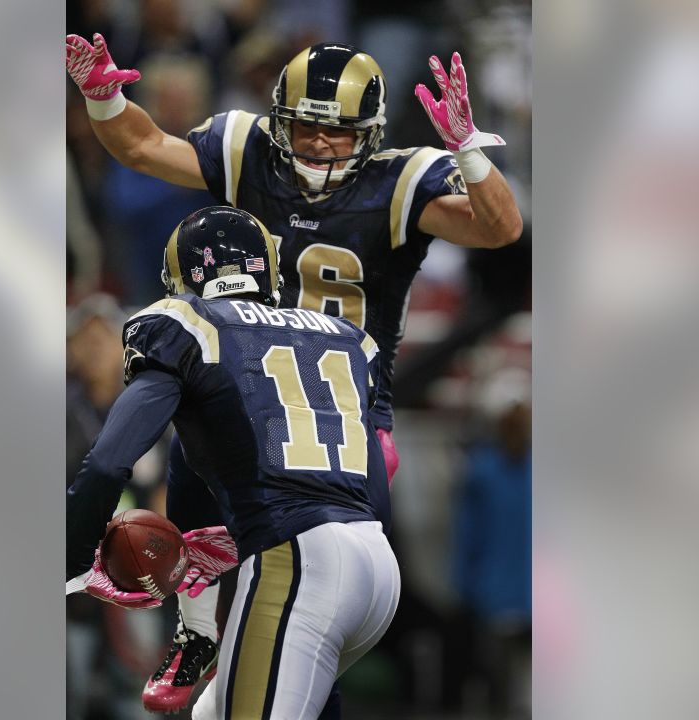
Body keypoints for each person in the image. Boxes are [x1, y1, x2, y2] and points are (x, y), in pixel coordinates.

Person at [66, 33, 521, 711]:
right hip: (248, 384)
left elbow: (499, 229)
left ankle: (214, 632)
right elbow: (141, 146)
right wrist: (104, 97)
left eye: (336, 132)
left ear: (369, 132)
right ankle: (197, 629)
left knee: (301, 622)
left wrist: (471, 157)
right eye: (304, 125)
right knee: (207, 447)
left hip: (348, 408)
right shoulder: (249, 150)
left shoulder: (398, 181)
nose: (316, 144)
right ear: (278, 117)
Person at [66, 206, 400, 719]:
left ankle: (197, 629)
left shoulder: (187, 324)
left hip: (296, 566)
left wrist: (72, 562)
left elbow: (110, 463)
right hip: (376, 570)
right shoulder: (349, 337)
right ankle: (196, 629)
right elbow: (376, 491)